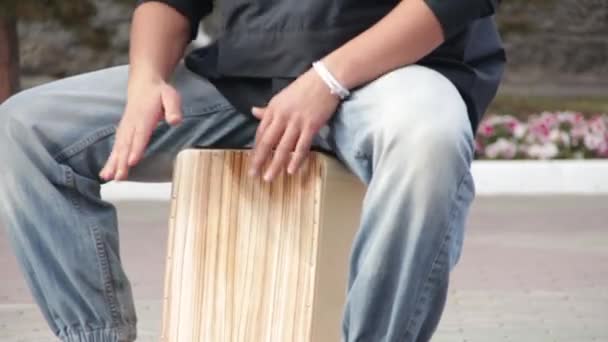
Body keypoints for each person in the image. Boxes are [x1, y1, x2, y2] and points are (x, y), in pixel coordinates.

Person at [0, 0, 505, 340]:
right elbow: (170, 4)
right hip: (241, 80)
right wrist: (146, 79)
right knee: (27, 128)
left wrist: (325, 80)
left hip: (395, 75)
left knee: (428, 139)